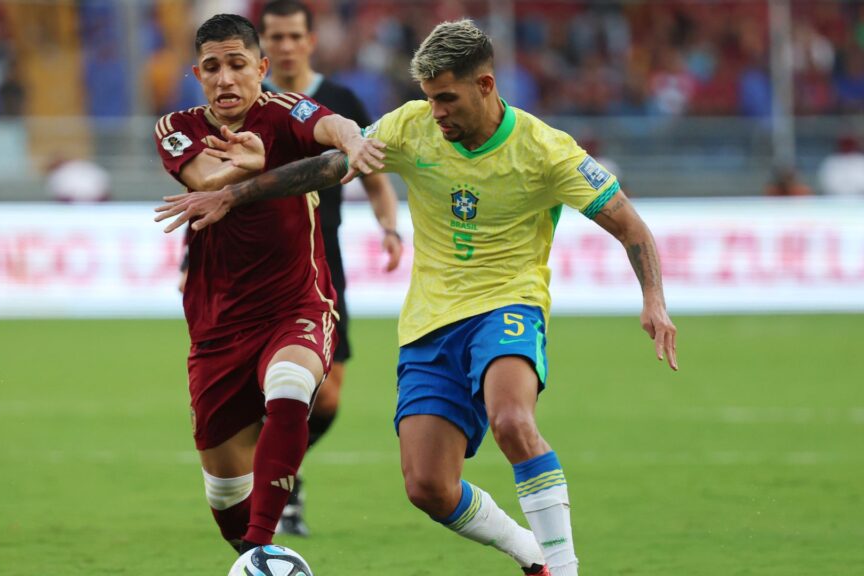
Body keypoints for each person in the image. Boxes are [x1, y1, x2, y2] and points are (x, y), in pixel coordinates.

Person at [156, 19, 679, 576]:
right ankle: (531, 553)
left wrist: (654, 299)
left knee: (510, 420)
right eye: (429, 98)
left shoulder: (547, 150)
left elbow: (630, 226)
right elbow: (330, 167)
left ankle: (565, 567)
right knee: (428, 486)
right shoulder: (412, 124)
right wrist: (238, 191)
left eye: (446, 98)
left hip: (507, 305)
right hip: (429, 323)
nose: (436, 112)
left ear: (485, 85)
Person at [151, 14, 383, 553]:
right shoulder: (176, 127)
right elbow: (204, 181)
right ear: (198, 74)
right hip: (218, 323)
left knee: (291, 386)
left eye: (237, 64)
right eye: (212, 67)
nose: (225, 78)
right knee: (226, 494)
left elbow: (334, 127)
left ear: (261, 68)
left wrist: (355, 140)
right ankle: (255, 551)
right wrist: (248, 167)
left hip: (295, 303)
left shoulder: (284, 110)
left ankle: (265, 549)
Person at [260, 0, 403, 536]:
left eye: (293, 36)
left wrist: (390, 228)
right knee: (267, 385)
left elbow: (375, 178)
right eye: (275, 37)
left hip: (324, 263)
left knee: (329, 393)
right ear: (263, 45)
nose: (285, 46)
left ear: (310, 41)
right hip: (260, 263)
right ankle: (279, 489)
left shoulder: (339, 103)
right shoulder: (250, 102)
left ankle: (281, 468)